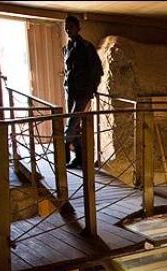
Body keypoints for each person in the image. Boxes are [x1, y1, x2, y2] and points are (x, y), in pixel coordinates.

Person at [62, 15, 103, 169]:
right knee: (76, 125)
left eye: (71, 27)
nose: (68, 30)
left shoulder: (86, 47)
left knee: (71, 122)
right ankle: (79, 158)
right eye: (66, 27)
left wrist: (91, 89)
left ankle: (63, 152)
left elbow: (97, 70)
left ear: (78, 28)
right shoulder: (67, 47)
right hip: (71, 91)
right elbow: (69, 71)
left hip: (82, 92)